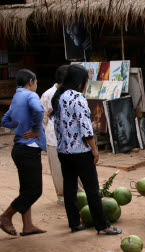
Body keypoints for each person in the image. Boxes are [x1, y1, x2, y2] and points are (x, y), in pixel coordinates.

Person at [50, 64, 121, 235]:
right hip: (80, 152)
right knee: (92, 190)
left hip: (63, 152)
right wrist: (94, 150)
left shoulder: (58, 96)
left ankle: (74, 223)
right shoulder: (78, 98)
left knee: (70, 188)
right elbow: (86, 129)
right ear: (80, 81)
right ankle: (103, 225)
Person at [0, 69, 47, 236]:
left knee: (26, 189)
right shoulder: (31, 96)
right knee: (34, 190)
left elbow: (5, 120)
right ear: (31, 81)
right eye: (36, 82)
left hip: (18, 149)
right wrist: (35, 129)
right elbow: (39, 111)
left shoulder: (16, 97)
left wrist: (19, 127)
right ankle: (6, 216)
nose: (36, 85)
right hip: (29, 148)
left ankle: (28, 225)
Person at [41, 65, 84, 205]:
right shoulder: (48, 94)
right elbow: (44, 119)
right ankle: (63, 196)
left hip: (72, 139)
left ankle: (80, 195)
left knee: (75, 169)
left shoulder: (73, 94)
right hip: (54, 138)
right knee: (58, 170)